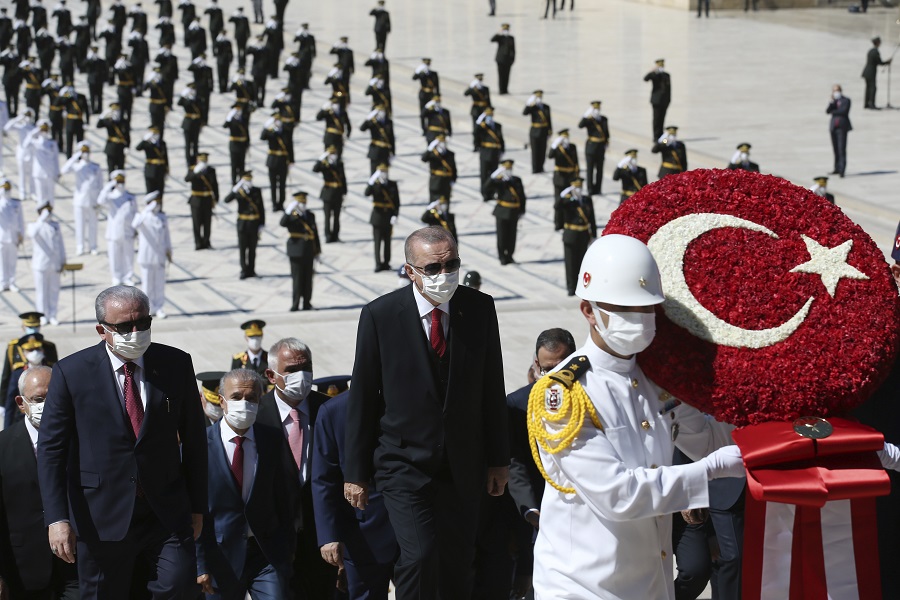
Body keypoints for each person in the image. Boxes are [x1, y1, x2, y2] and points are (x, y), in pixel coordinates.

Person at [529, 234, 743, 599]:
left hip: (649, 582)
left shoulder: (657, 380)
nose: (640, 319)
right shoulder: (564, 394)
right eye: (624, 309)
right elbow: (619, 495)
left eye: (647, 308)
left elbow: (710, 441)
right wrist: (710, 471)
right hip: (583, 586)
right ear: (588, 311)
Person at [344, 226, 509, 599]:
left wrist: (499, 459)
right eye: (433, 269)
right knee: (419, 555)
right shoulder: (380, 316)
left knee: (457, 559)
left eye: (451, 264)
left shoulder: (479, 309)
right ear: (410, 271)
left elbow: (491, 386)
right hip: (403, 462)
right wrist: (355, 472)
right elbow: (364, 398)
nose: (444, 275)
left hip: (463, 461)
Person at [37, 285, 208, 598]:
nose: (136, 331)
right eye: (125, 326)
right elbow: (51, 451)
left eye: (143, 323)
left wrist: (197, 506)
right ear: (102, 330)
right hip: (100, 515)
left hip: (165, 511)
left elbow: (196, 440)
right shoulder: (71, 373)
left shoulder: (175, 364)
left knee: (178, 587)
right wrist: (57, 518)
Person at [196, 369, 295, 600]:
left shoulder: (271, 439)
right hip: (219, 557)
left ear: (260, 401)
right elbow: (193, 510)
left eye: (251, 398)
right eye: (237, 397)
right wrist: (199, 564)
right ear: (222, 401)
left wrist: (287, 548)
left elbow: (284, 497)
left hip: (265, 554)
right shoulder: (199, 446)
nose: (244, 403)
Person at [258, 338, 339, 599]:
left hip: (322, 539)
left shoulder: (328, 409)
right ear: (271, 375)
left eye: (307, 367)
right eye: (292, 370)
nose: (301, 376)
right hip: (274, 540)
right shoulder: (257, 415)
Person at [505, 329, 576, 599]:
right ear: (536, 365)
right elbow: (516, 463)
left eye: (562, 366)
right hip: (541, 517)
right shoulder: (518, 404)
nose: (555, 375)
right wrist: (532, 512)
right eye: (547, 368)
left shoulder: (595, 396)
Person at [0, 366, 80, 599]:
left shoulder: (84, 439)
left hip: (78, 565)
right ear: (21, 403)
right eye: (38, 399)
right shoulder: (3, 447)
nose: (47, 404)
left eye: (54, 396)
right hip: (22, 572)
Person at [312, 389, 398, 600]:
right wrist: (329, 536)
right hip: (362, 534)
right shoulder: (334, 411)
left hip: (415, 528)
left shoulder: (414, 398)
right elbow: (324, 479)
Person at [132, 191, 171, 319]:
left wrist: (169, 251)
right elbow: (135, 224)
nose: (157, 205)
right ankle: (148, 308)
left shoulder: (162, 217)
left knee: (159, 284)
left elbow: (167, 236)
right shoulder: (143, 216)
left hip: (159, 255)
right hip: (147, 256)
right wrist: (146, 210)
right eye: (155, 203)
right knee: (147, 284)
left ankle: (159, 307)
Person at [555, 177, 596, 296]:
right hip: (570, 235)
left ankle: (581, 286)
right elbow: (557, 206)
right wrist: (563, 194)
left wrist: (593, 235)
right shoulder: (567, 202)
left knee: (582, 262)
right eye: (575, 188)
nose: (578, 190)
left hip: (583, 235)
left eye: (579, 187)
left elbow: (591, 219)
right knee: (570, 262)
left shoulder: (586, 200)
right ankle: (571, 287)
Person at [280, 192, 321, 311]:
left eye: (304, 202)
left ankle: (307, 303)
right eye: (300, 203)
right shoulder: (292, 216)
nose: (303, 205)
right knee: (297, 278)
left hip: (309, 250)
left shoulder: (310, 215)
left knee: (308, 278)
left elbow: (315, 234)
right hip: (296, 250)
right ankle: (295, 303)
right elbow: (282, 223)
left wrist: (318, 251)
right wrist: (288, 211)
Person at [27, 202, 66, 326]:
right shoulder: (35, 225)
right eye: (46, 211)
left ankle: (53, 314)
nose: (48, 214)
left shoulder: (55, 225)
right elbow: (32, 234)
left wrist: (63, 261)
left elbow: (60, 245)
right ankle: (43, 315)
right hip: (40, 265)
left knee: (54, 290)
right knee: (41, 292)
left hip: (54, 264)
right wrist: (41, 219)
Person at [97, 170, 137, 286]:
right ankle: (116, 276)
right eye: (118, 181)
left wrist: (135, 230)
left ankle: (128, 276)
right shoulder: (111, 197)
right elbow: (100, 200)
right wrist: (110, 185)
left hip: (128, 231)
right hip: (114, 232)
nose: (121, 184)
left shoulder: (130, 197)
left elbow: (135, 213)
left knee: (128, 256)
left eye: (122, 181)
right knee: (114, 256)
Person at [61, 142, 101, 256]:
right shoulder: (77, 166)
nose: (86, 154)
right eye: (83, 152)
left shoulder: (95, 167)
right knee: (80, 224)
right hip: (80, 200)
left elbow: (100, 185)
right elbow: (64, 170)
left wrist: (99, 201)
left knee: (93, 224)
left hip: (92, 200)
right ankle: (80, 246)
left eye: (87, 152)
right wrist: (75, 157)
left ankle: (93, 246)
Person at [4, 333, 51, 428]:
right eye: (30, 350)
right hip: (22, 418)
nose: (35, 353)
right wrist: (6, 429)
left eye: (37, 349)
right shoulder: (18, 373)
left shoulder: (52, 370)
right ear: (24, 353)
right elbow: (10, 402)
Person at [223, 171, 265, 279]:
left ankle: (251, 269)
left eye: (249, 180)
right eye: (246, 180)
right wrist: (235, 188)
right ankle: (244, 270)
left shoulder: (256, 191)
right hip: (243, 223)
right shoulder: (239, 192)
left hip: (254, 223)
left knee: (252, 248)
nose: (249, 182)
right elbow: (227, 200)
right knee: (243, 248)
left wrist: (262, 223)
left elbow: (261, 208)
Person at [485, 159, 526, 265]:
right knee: (502, 236)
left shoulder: (517, 180)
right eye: (506, 169)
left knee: (512, 236)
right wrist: (495, 174)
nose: (509, 171)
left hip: (514, 211)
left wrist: (522, 210)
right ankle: (502, 256)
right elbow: (486, 187)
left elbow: (522, 196)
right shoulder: (499, 182)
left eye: (510, 169)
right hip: (502, 211)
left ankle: (510, 255)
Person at [365, 164, 399, 272]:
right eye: (381, 172)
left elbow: (397, 202)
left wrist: (395, 215)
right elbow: (366, 193)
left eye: (385, 172)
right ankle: (378, 263)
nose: (384, 174)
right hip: (378, 217)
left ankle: (386, 263)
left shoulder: (392, 184)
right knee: (378, 241)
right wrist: (372, 180)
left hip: (388, 216)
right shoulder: (375, 185)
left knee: (387, 242)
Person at [313, 145, 348, 244]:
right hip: (327, 193)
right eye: (331, 154)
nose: (333, 156)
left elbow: (343, 178)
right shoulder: (324, 164)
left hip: (338, 193)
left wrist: (345, 192)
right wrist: (321, 158)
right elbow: (315, 169)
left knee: (337, 217)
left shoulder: (339, 164)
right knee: (327, 217)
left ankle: (336, 235)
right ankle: (328, 236)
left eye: (334, 154)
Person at [185, 151, 219, 250]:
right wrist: (196, 172)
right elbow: (187, 179)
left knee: (207, 222)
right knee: (197, 222)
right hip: (196, 199)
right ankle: (198, 243)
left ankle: (206, 241)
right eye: (201, 160)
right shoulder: (193, 169)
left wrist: (216, 198)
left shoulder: (211, 170)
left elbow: (215, 185)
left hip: (207, 199)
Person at [260, 112, 292, 212]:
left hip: (283, 160)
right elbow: (262, 137)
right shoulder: (270, 132)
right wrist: (266, 126)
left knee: (282, 184)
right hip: (272, 160)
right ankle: (274, 203)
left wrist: (291, 160)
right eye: (275, 120)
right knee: (273, 184)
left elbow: (290, 146)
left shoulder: (286, 131)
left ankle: (281, 203)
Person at [27, 120, 60, 209]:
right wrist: (36, 131)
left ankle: (50, 215)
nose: (44, 131)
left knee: (51, 196)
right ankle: (41, 216)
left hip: (50, 172)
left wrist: (57, 172)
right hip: (39, 173)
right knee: (40, 196)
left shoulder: (52, 143)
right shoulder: (35, 142)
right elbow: (26, 144)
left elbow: (56, 159)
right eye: (42, 129)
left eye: (46, 129)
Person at [4, 109, 36, 199]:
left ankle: (32, 192)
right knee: (22, 174)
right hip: (21, 152)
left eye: (28, 116)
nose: (27, 118)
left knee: (31, 174)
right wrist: (18, 118)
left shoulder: (34, 128)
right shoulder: (20, 127)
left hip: (31, 153)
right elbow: (7, 127)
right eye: (26, 116)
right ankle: (22, 192)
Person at [0, 177, 24, 292]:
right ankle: (3, 282)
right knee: (2, 261)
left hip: (13, 237)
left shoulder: (16, 203)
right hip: (2, 238)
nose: (6, 191)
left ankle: (12, 281)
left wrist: (21, 235)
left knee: (12, 261)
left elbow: (21, 221)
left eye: (8, 188)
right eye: (4, 189)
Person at [475, 107, 504, 200]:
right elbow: (476, 133)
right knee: (484, 174)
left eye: (491, 115)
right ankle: (485, 193)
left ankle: (492, 192)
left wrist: (502, 149)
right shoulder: (482, 127)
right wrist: (480, 120)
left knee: (493, 174)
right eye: (488, 115)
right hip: (485, 152)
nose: (490, 117)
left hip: (495, 153)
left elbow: (501, 139)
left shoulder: (497, 125)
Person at [422, 134, 457, 202]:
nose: (442, 144)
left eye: (443, 142)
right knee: (435, 203)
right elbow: (423, 159)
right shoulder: (432, 154)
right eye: (440, 143)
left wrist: (453, 180)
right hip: (436, 181)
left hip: (447, 181)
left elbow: (454, 169)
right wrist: (430, 148)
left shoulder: (450, 154)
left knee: (446, 202)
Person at [360, 104, 395, 174]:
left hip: (385, 151)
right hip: (375, 150)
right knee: (374, 172)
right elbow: (362, 128)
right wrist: (369, 118)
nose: (382, 113)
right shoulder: (373, 122)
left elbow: (391, 138)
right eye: (380, 111)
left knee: (384, 172)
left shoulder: (389, 122)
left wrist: (393, 152)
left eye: (383, 111)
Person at [135, 127, 169, 197]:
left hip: (160, 170)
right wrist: (145, 139)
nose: (156, 135)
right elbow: (138, 148)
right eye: (154, 133)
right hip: (150, 169)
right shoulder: (147, 143)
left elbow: (165, 157)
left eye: (156, 133)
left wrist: (167, 170)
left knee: (160, 191)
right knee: (150, 191)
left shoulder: (162, 143)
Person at [523, 90, 551, 174]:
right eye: (537, 97)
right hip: (535, 131)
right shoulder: (533, 107)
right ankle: (535, 168)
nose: (539, 98)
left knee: (543, 150)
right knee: (535, 151)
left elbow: (549, 120)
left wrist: (550, 130)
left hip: (544, 131)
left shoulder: (546, 107)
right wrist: (529, 103)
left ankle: (541, 167)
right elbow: (525, 113)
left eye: (540, 97)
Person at [548, 128, 579, 205]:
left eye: (567, 137)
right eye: (564, 138)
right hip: (560, 177)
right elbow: (550, 156)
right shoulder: (557, 148)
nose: (566, 139)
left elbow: (576, 162)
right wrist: (554, 145)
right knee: (559, 199)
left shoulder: (572, 147)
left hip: (570, 176)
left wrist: (577, 175)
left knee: (570, 199)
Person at [827, 84, 851, 178]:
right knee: (835, 148)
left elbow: (843, 111)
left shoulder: (846, 100)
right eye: (834, 90)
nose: (836, 92)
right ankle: (836, 168)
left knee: (842, 148)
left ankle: (842, 169)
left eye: (837, 90)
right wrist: (831, 102)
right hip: (833, 127)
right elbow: (828, 111)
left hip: (842, 126)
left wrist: (834, 111)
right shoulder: (834, 101)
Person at [643, 58, 671, 142]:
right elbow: (646, 79)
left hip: (665, 101)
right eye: (659, 65)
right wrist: (653, 71)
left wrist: (669, 100)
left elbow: (669, 89)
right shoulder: (654, 75)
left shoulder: (666, 75)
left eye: (662, 65)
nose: (661, 66)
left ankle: (661, 136)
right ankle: (656, 137)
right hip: (656, 101)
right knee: (656, 119)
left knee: (662, 118)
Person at [863, 36, 891, 109]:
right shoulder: (875, 51)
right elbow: (879, 62)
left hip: (866, 72)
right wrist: (887, 62)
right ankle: (871, 104)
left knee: (868, 88)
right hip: (871, 72)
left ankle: (866, 103)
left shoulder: (871, 50)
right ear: (878, 43)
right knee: (873, 88)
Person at [412, 58, 439, 133]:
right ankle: (423, 128)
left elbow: (437, 86)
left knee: (431, 111)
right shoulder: (421, 74)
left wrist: (437, 96)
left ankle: (430, 126)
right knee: (423, 112)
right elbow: (414, 78)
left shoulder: (434, 74)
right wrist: (418, 71)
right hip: (423, 94)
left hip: (431, 94)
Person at [464, 73, 491, 143]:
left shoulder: (485, 89)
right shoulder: (473, 89)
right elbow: (465, 94)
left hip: (484, 110)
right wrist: (471, 87)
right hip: (476, 110)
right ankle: (476, 144)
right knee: (476, 128)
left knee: (484, 127)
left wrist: (490, 109)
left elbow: (488, 100)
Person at [491, 23, 515, 95]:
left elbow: (513, 49)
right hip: (500, 59)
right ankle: (501, 90)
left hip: (508, 60)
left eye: (507, 29)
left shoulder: (511, 38)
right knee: (501, 75)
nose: (506, 31)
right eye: (504, 29)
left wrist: (513, 59)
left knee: (507, 75)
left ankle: (505, 89)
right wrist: (499, 33)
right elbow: (492, 40)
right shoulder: (500, 38)